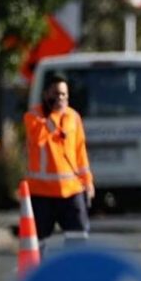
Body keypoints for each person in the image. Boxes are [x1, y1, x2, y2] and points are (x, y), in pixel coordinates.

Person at [24, 74, 95, 250]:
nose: (60, 98)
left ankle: (75, 268)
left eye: (64, 94)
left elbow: (80, 152)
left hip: (71, 191)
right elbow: (38, 138)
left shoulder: (73, 117)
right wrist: (53, 114)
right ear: (46, 95)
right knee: (38, 242)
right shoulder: (33, 117)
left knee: (78, 237)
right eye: (56, 94)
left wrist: (88, 182)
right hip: (42, 193)